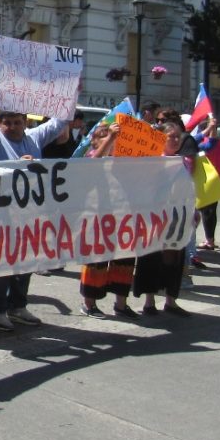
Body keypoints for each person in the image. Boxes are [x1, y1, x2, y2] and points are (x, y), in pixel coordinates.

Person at [0, 69, 68, 331]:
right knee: (2, 261)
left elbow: (59, 122)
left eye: (18, 122)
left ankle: (18, 305)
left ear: (25, 122)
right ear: (0, 124)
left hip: (29, 210)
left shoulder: (35, 138)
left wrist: (70, 92)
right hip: (1, 210)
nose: (13, 127)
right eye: (8, 123)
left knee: (26, 259)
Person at [132, 116, 194, 316]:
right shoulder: (153, 160)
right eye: (171, 137)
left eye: (178, 137)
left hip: (178, 217)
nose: (176, 140)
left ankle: (171, 300)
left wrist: (194, 211)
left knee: (175, 258)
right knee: (151, 257)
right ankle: (149, 302)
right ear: (161, 138)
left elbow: (188, 190)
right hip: (155, 217)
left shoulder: (183, 161)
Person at [78, 123, 139, 318]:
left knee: (125, 260)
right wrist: (110, 138)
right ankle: (89, 304)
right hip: (97, 217)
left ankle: (121, 304)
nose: (111, 139)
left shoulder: (124, 162)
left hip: (123, 216)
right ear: (95, 140)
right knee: (97, 261)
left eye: (113, 136)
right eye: (104, 136)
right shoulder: (91, 157)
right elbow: (95, 161)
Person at [195, 116, 220, 256]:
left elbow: (210, 143)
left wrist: (211, 127)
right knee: (210, 211)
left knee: (205, 212)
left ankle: (209, 240)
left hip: (207, 181)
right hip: (218, 181)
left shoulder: (208, 143)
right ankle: (210, 239)